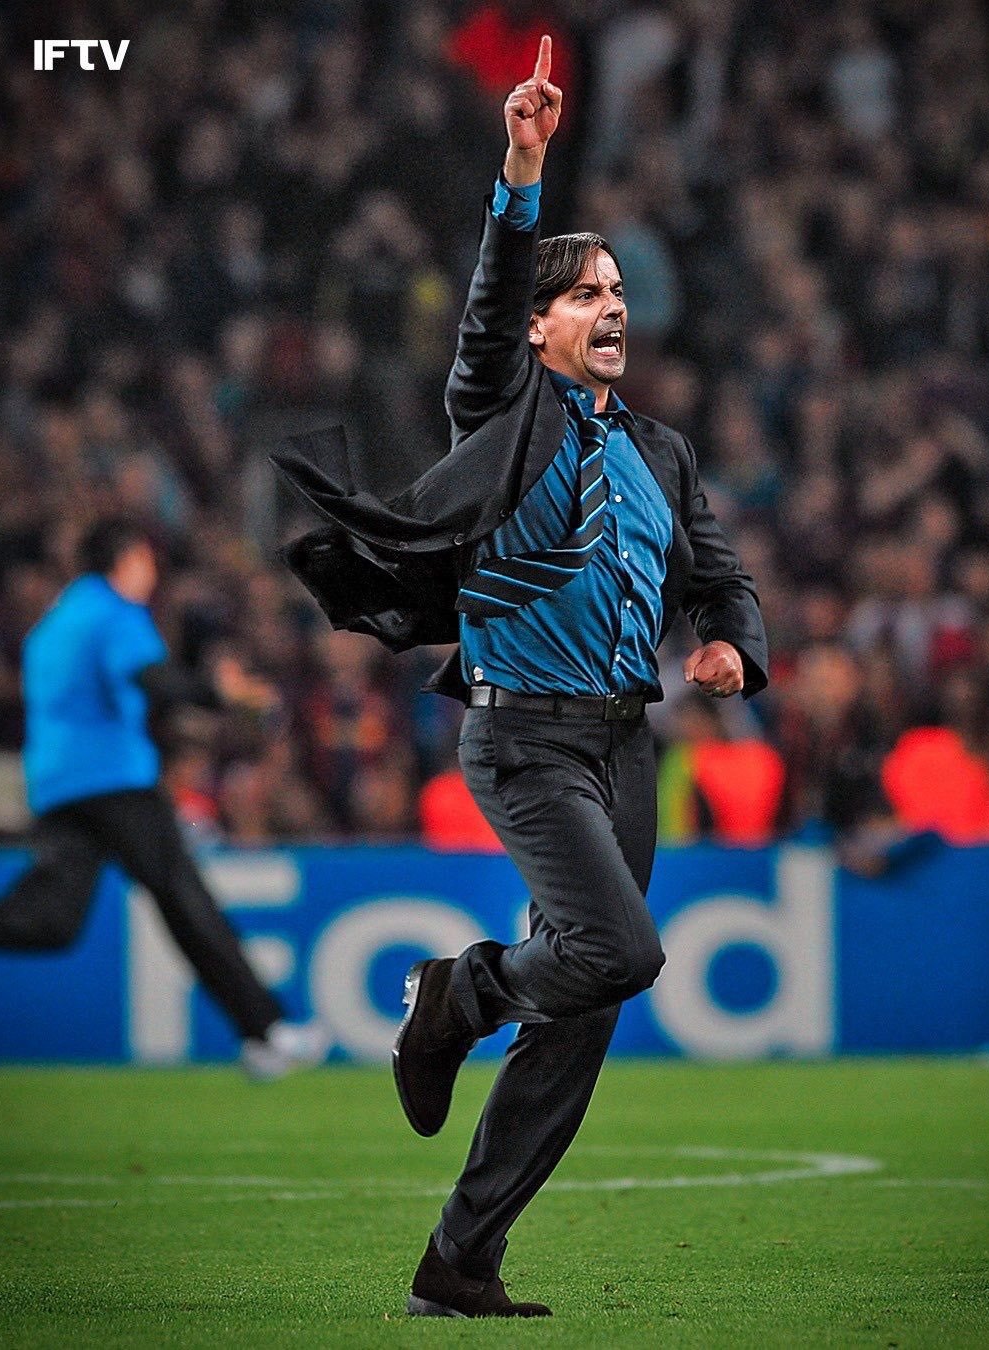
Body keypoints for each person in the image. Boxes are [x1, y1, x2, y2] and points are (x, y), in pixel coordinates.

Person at [272, 37, 767, 1317]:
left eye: (618, 289)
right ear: (543, 327)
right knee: (621, 951)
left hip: (623, 743)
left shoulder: (662, 452)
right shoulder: (509, 411)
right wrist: (522, 174)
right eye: (585, 292)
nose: (612, 305)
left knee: (587, 1006)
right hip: (525, 740)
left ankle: (459, 1264)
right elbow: (488, 309)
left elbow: (721, 577)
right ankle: (460, 991)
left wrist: (731, 644)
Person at [0, 518, 329, 1080]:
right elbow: (154, 682)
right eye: (147, 559)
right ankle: (266, 1030)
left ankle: (262, 1031)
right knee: (184, 897)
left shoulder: (58, 619)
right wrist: (221, 692)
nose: (152, 571)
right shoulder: (113, 613)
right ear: (127, 559)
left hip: (55, 786)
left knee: (51, 921)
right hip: (113, 781)